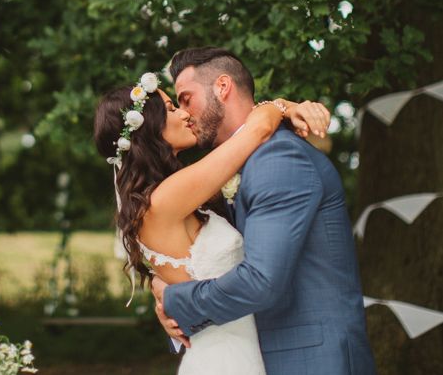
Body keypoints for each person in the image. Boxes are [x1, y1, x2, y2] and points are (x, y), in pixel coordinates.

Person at [151, 47, 377, 374]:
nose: (184, 113)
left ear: (222, 87)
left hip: (314, 360)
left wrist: (174, 301)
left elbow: (261, 281)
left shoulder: (278, 157)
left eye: (186, 99)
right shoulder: (241, 161)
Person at [94, 64, 332, 374]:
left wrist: (164, 291)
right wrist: (285, 105)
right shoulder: (166, 198)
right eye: (170, 108)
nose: (184, 114)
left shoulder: (162, 199)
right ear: (148, 128)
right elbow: (258, 129)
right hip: (227, 359)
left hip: (235, 350)